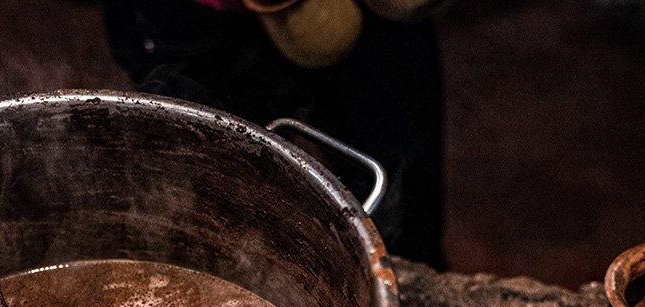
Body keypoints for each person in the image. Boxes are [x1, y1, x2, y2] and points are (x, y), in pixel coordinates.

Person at [102, 0, 449, 268]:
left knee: (405, 203)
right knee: (198, 206)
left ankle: (401, 292)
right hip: (198, 24)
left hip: (376, 36)